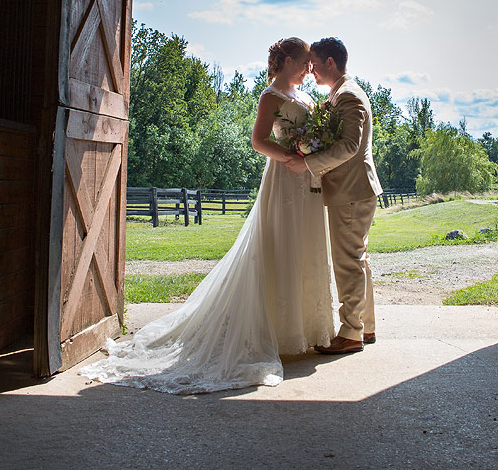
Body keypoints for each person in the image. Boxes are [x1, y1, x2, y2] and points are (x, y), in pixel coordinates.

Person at [78, 37, 334, 394]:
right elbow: (258, 141)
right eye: (306, 61)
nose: (310, 67)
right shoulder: (271, 96)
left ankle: (305, 328)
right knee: (282, 244)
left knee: (305, 245)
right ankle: (277, 329)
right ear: (288, 59)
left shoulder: (306, 96)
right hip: (284, 178)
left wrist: (311, 152)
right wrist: (292, 155)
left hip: (307, 181)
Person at [286, 37, 383, 354]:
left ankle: (351, 333)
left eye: (314, 64)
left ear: (330, 62)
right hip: (352, 188)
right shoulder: (341, 94)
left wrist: (308, 164)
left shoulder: (349, 96)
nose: (310, 70)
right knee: (358, 259)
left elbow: (349, 146)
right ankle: (364, 327)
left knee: (348, 262)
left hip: (351, 189)